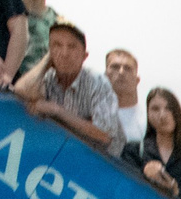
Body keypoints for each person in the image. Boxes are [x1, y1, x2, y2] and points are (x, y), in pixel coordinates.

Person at [12, 21, 117, 154]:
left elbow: (105, 135)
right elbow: (21, 91)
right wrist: (47, 60)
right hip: (47, 149)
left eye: (72, 47)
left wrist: (57, 111)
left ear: (84, 56)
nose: (64, 53)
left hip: (88, 158)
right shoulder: (47, 76)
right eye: (57, 45)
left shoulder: (98, 82)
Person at [122, 87, 181, 199]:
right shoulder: (134, 151)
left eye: (169, 108)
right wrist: (144, 174)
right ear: (148, 113)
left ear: (177, 112)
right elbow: (122, 189)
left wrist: (175, 191)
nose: (162, 115)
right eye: (155, 109)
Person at [101, 47, 144, 148]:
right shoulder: (90, 114)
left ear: (137, 80)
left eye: (128, 68)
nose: (121, 72)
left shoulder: (149, 121)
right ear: (105, 76)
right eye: (115, 67)